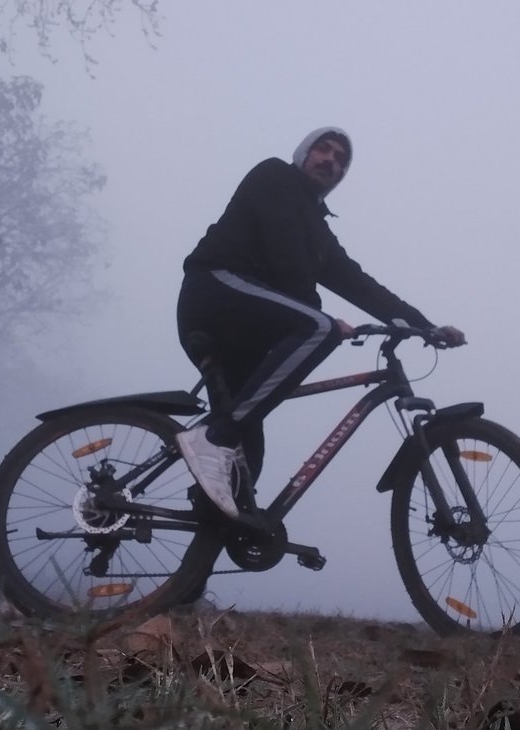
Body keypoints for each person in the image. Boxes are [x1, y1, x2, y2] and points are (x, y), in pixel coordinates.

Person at [175, 127, 465, 518]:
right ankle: (214, 436)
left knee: (244, 464)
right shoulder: (274, 177)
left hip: (245, 334)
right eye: (323, 150)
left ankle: (200, 551)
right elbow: (285, 252)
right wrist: (322, 318)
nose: (331, 160)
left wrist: (422, 326)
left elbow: (357, 282)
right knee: (317, 330)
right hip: (217, 290)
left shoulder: (319, 230)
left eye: (341, 160)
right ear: (303, 154)